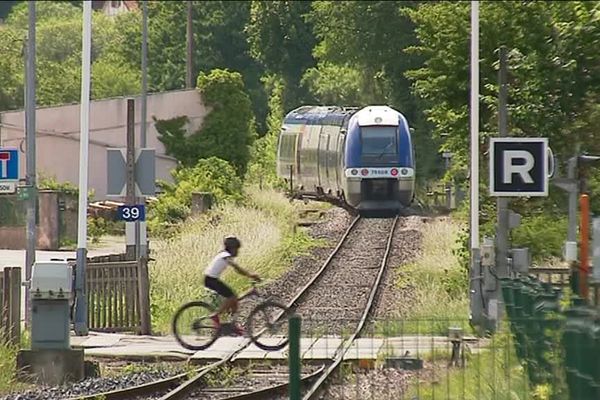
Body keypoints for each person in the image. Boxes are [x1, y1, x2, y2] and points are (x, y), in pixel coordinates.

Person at [204, 236, 260, 335]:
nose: (238, 252)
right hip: (210, 280)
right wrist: (251, 275)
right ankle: (215, 315)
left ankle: (233, 325)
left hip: (211, 279)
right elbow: (237, 269)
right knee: (233, 297)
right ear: (232, 248)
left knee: (234, 300)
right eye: (237, 249)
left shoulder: (224, 254)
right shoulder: (226, 255)